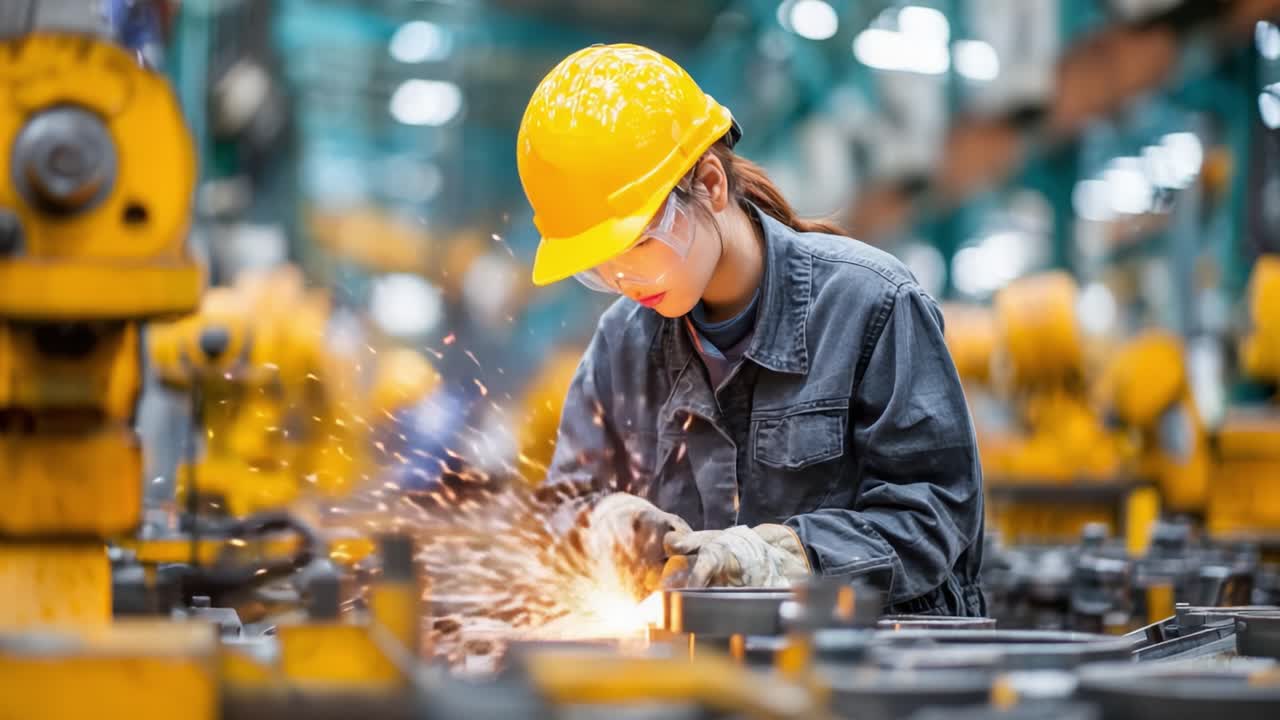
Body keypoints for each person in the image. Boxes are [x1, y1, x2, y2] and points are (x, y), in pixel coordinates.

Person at [517, 44, 985, 615]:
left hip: (867, 659)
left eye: (636, 244)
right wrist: (603, 526)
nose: (622, 279)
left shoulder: (871, 306)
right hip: (699, 662)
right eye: (598, 266)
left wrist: (780, 558)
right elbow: (561, 509)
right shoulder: (625, 342)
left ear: (711, 184)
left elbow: (933, 513)